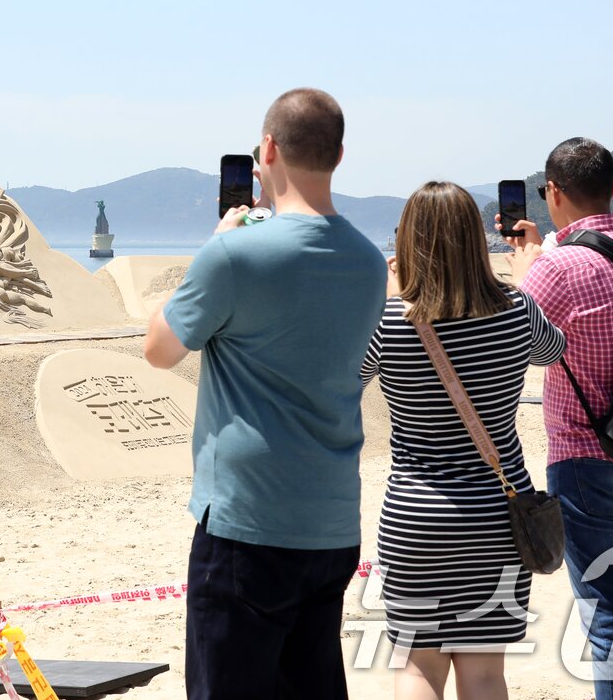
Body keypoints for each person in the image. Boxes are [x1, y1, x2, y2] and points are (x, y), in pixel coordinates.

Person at [143, 88, 387, 699]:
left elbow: (160, 348)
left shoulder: (234, 254)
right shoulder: (367, 261)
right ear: (339, 154)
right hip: (330, 519)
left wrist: (219, 240)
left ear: (268, 149)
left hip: (247, 519)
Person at [361, 182, 565, 700]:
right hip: (499, 516)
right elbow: (552, 350)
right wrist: (528, 279)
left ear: (406, 243)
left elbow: (341, 385)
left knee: (417, 668)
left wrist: (386, 299)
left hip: (415, 515)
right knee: (485, 673)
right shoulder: (517, 310)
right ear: (477, 240)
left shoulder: (387, 320)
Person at [502, 137, 613, 700]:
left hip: (589, 458)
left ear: (552, 192)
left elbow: (516, 343)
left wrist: (525, 271)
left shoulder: (555, 268)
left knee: (608, 616)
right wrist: (549, 247)